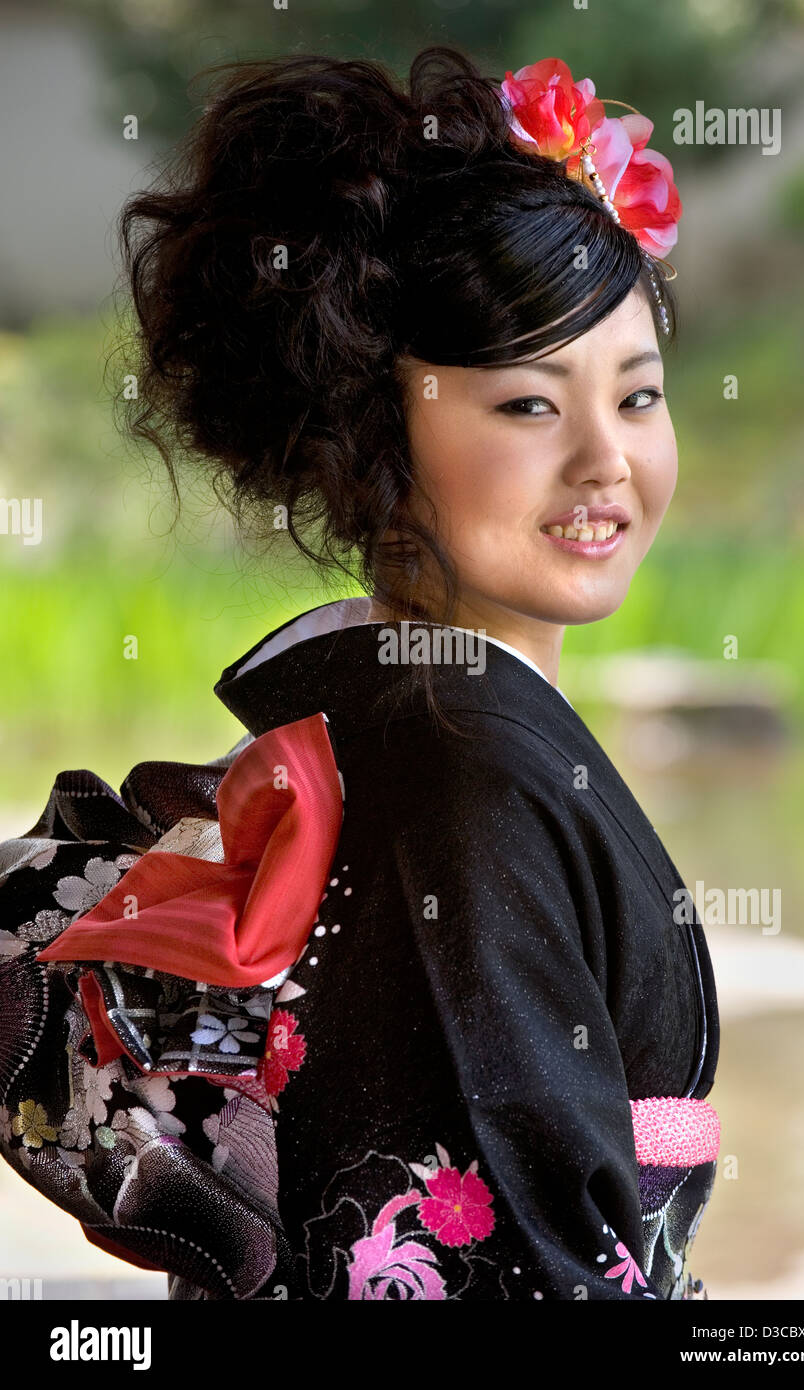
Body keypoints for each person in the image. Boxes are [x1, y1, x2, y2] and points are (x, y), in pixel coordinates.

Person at [0, 45, 719, 1301]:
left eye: (641, 396)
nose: (609, 461)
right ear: (379, 432)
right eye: (528, 407)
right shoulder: (467, 772)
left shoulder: (386, 720)